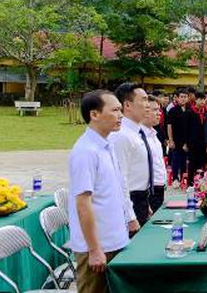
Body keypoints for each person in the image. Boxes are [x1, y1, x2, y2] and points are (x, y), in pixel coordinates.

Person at [68, 90, 130, 293]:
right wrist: (94, 249)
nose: (120, 115)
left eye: (120, 110)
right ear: (94, 114)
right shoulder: (85, 151)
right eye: (115, 110)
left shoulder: (107, 145)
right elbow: (83, 204)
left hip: (114, 240)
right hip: (97, 247)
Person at [110, 82, 152, 228]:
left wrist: (145, 203)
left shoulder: (136, 132)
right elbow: (119, 179)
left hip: (141, 198)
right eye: (144, 100)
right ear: (127, 105)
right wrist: (130, 216)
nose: (148, 105)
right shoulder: (121, 135)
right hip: (129, 202)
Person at [142, 95, 167, 214]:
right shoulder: (139, 136)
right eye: (155, 110)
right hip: (148, 191)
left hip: (159, 188)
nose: (159, 113)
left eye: (159, 110)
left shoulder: (153, 135)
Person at [166, 89, 189, 187]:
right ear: (177, 98)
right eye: (181, 97)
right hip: (176, 140)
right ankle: (175, 178)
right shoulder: (173, 110)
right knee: (176, 159)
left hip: (187, 140)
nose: (183, 99)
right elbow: (169, 126)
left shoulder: (189, 110)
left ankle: (184, 179)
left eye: (185, 97)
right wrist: (170, 140)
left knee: (185, 160)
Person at [186, 92, 207, 180]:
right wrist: (186, 143)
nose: (202, 101)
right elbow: (186, 129)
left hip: (203, 142)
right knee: (192, 163)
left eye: (204, 99)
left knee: (203, 163)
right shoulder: (189, 112)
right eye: (200, 99)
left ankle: (201, 183)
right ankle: (190, 182)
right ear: (195, 100)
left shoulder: (206, 113)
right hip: (192, 142)